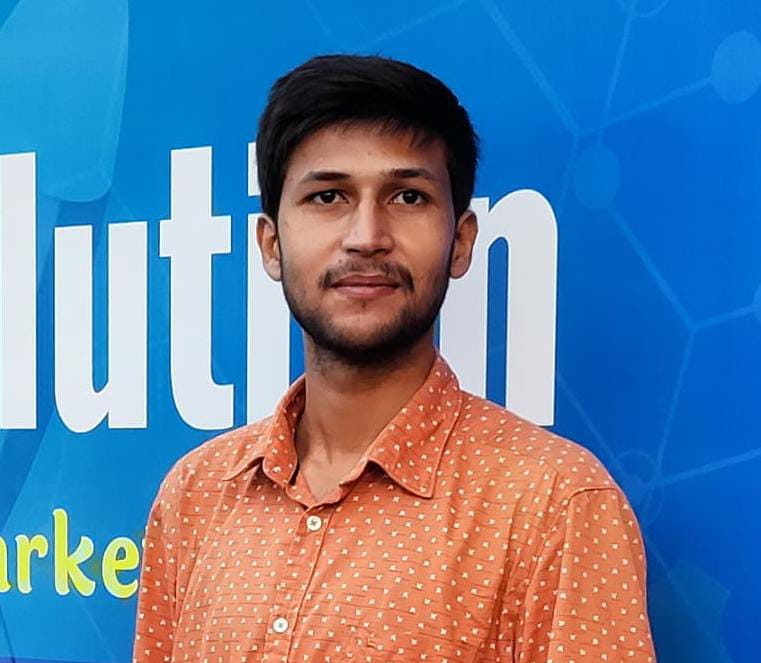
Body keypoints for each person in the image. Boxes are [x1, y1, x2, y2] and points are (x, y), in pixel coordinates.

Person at [133, 54, 656, 662]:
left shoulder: (553, 505)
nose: (366, 237)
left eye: (408, 196)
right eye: (328, 196)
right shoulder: (196, 494)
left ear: (460, 242)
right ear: (271, 244)